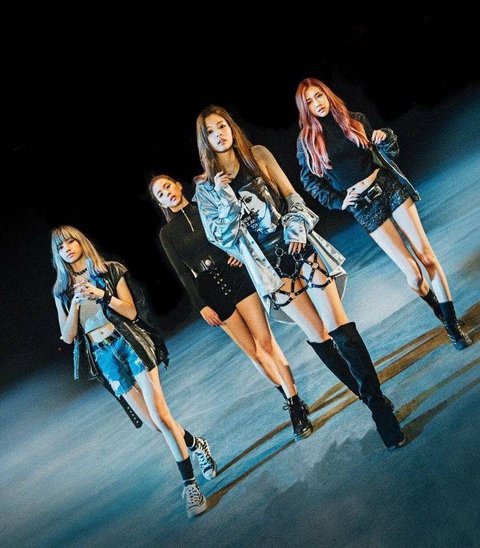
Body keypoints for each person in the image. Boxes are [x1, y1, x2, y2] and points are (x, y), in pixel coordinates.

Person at [194, 105, 407, 450]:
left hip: (299, 248)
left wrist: (295, 228)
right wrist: (224, 197)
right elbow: (223, 238)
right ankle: (371, 401)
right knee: (318, 334)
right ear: (204, 141)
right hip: (270, 269)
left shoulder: (258, 155)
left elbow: (292, 196)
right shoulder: (205, 188)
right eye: (211, 131)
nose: (219, 134)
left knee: (338, 324)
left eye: (222, 126)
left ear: (231, 127)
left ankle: (380, 409)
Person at [295, 77, 472, 350]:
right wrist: (338, 201)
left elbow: (391, 151)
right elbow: (309, 182)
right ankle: (437, 308)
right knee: (413, 274)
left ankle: (452, 325)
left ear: (328, 95)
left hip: (388, 187)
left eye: (319, 95)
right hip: (363, 206)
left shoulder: (354, 120)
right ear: (304, 108)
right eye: (309, 101)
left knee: (426, 257)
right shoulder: (307, 142)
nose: (317, 103)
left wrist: (385, 137)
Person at [51, 225, 215, 518]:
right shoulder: (61, 290)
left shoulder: (110, 270)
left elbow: (130, 312)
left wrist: (101, 294)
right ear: (58, 255)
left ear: (81, 241)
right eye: (61, 247)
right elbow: (67, 336)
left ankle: (191, 486)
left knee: (162, 417)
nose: (68, 249)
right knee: (155, 424)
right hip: (104, 357)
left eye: (71, 241)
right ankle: (196, 443)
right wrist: (74, 305)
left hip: (129, 343)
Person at [149, 175, 312, 441]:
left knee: (266, 343)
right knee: (254, 354)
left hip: (235, 275)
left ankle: (295, 406)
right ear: (160, 203)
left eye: (168, 186)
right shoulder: (167, 234)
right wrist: (201, 306)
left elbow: (235, 231)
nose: (167, 193)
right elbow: (183, 273)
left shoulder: (206, 207)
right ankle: (288, 395)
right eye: (160, 194)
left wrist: (238, 254)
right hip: (209, 289)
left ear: (178, 185)